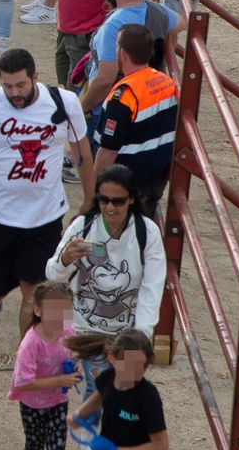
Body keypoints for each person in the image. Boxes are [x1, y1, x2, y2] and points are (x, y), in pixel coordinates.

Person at [0, 49, 95, 345]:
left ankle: (29, 357)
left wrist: (90, 199)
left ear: (35, 76)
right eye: (7, 86)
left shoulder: (65, 103)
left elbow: (82, 151)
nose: (14, 93)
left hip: (44, 217)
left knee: (34, 289)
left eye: (21, 85)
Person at [46, 166, 166, 422]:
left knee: (124, 387)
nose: (110, 207)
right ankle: (93, 435)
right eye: (103, 200)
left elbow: (152, 287)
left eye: (118, 201)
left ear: (131, 199)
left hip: (127, 330)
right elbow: (52, 276)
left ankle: (104, 431)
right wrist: (65, 260)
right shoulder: (82, 226)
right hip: (85, 328)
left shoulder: (147, 234)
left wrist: (141, 336)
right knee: (98, 383)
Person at [92, 21, 179, 211]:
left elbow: (108, 150)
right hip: (157, 177)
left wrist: (94, 192)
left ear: (123, 53)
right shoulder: (166, 82)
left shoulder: (124, 96)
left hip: (124, 182)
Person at [80, 0, 183, 118]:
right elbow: (182, 23)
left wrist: (82, 108)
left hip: (113, 108)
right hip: (148, 100)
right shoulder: (159, 12)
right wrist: (168, 41)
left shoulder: (113, 26)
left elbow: (105, 80)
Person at [67, 330, 172, 450]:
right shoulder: (107, 377)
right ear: (112, 358)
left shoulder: (148, 397)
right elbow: (100, 395)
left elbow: (160, 447)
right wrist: (79, 414)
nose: (135, 371)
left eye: (141, 365)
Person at [7, 280, 78, 450]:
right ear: (38, 311)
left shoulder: (68, 331)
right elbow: (23, 382)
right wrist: (60, 380)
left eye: (65, 311)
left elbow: (72, 352)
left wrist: (73, 366)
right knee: (35, 449)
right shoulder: (30, 344)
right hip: (33, 406)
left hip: (58, 402)